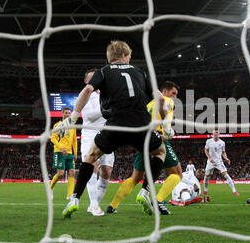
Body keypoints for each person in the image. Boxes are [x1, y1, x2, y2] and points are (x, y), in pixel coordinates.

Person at [59, 40, 169, 218]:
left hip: (115, 123)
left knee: (91, 157)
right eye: (130, 56)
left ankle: (74, 199)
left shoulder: (104, 71)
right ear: (125, 55)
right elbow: (161, 100)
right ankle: (145, 192)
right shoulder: (139, 72)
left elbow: (87, 90)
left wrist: (73, 116)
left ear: (110, 57)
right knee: (160, 153)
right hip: (141, 124)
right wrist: (165, 125)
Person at [106, 81, 182, 215]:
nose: (174, 97)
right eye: (173, 93)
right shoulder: (167, 101)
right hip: (158, 138)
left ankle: (112, 206)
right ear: (164, 92)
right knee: (177, 173)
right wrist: (166, 131)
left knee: (135, 177)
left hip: (143, 138)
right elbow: (166, 113)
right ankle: (157, 200)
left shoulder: (148, 105)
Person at [80, 68, 115, 216]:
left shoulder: (107, 94)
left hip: (107, 134)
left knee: (107, 171)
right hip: (90, 134)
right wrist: (107, 107)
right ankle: (94, 205)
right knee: (92, 166)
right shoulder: (85, 95)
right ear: (86, 81)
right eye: (92, 78)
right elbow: (89, 116)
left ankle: (94, 204)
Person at [50, 107, 77, 200]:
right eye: (66, 113)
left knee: (72, 172)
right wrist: (61, 148)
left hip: (69, 153)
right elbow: (53, 138)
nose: (67, 115)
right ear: (62, 114)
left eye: (69, 113)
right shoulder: (57, 125)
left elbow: (74, 140)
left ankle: (70, 195)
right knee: (61, 174)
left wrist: (75, 153)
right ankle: (50, 188)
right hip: (59, 152)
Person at [202, 129, 238, 196]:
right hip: (210, 162)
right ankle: (205, 190)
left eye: (217, 132)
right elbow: (206, 150)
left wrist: (226, 158)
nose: (216, 134)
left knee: (226, 175)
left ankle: (234, 190)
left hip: (219, 161)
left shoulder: (222, 143)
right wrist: (209, 158)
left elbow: (223, 153)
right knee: (206, 176)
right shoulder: (209, 141)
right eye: (215, 132)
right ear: (213, 134)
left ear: (219, 134)